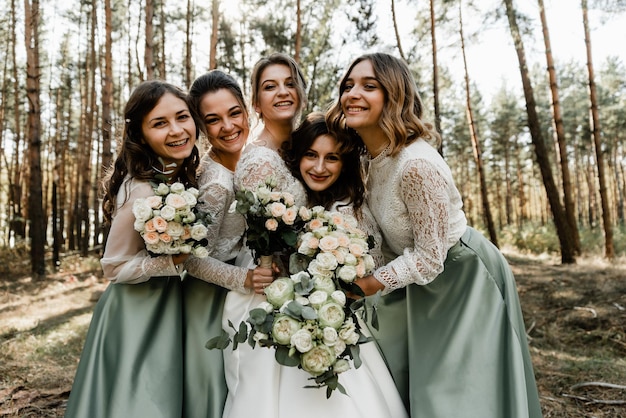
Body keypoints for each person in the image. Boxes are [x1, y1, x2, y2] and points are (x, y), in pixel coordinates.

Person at [326, 52, 543, 418]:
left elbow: (429, 257)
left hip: (464, 275)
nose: (352, 94)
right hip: (423, 281)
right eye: (348, 85)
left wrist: (367, 285)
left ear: (393, 96)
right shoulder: (371, 158)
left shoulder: (416, 165)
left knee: (461, 392)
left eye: (369, 85)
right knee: (425, 383)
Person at [64, 80, 201, 418]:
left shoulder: (176, 179)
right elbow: (112, 267)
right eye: (160, 123)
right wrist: (172, 261)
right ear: (140, 135)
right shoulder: (139, 189)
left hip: (165, 306)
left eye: (182, 117)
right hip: (134, 312)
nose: (176, 130)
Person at [182, 69, 275, 418]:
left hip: (234, 295)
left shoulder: (248, 160)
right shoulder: (216, 183)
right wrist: (244, 280)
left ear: (246, 111)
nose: (228, 126)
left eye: (234, 113)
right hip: (208, 297)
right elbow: (189, 259)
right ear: (202, 127)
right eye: (213, 120)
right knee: (210, 387)